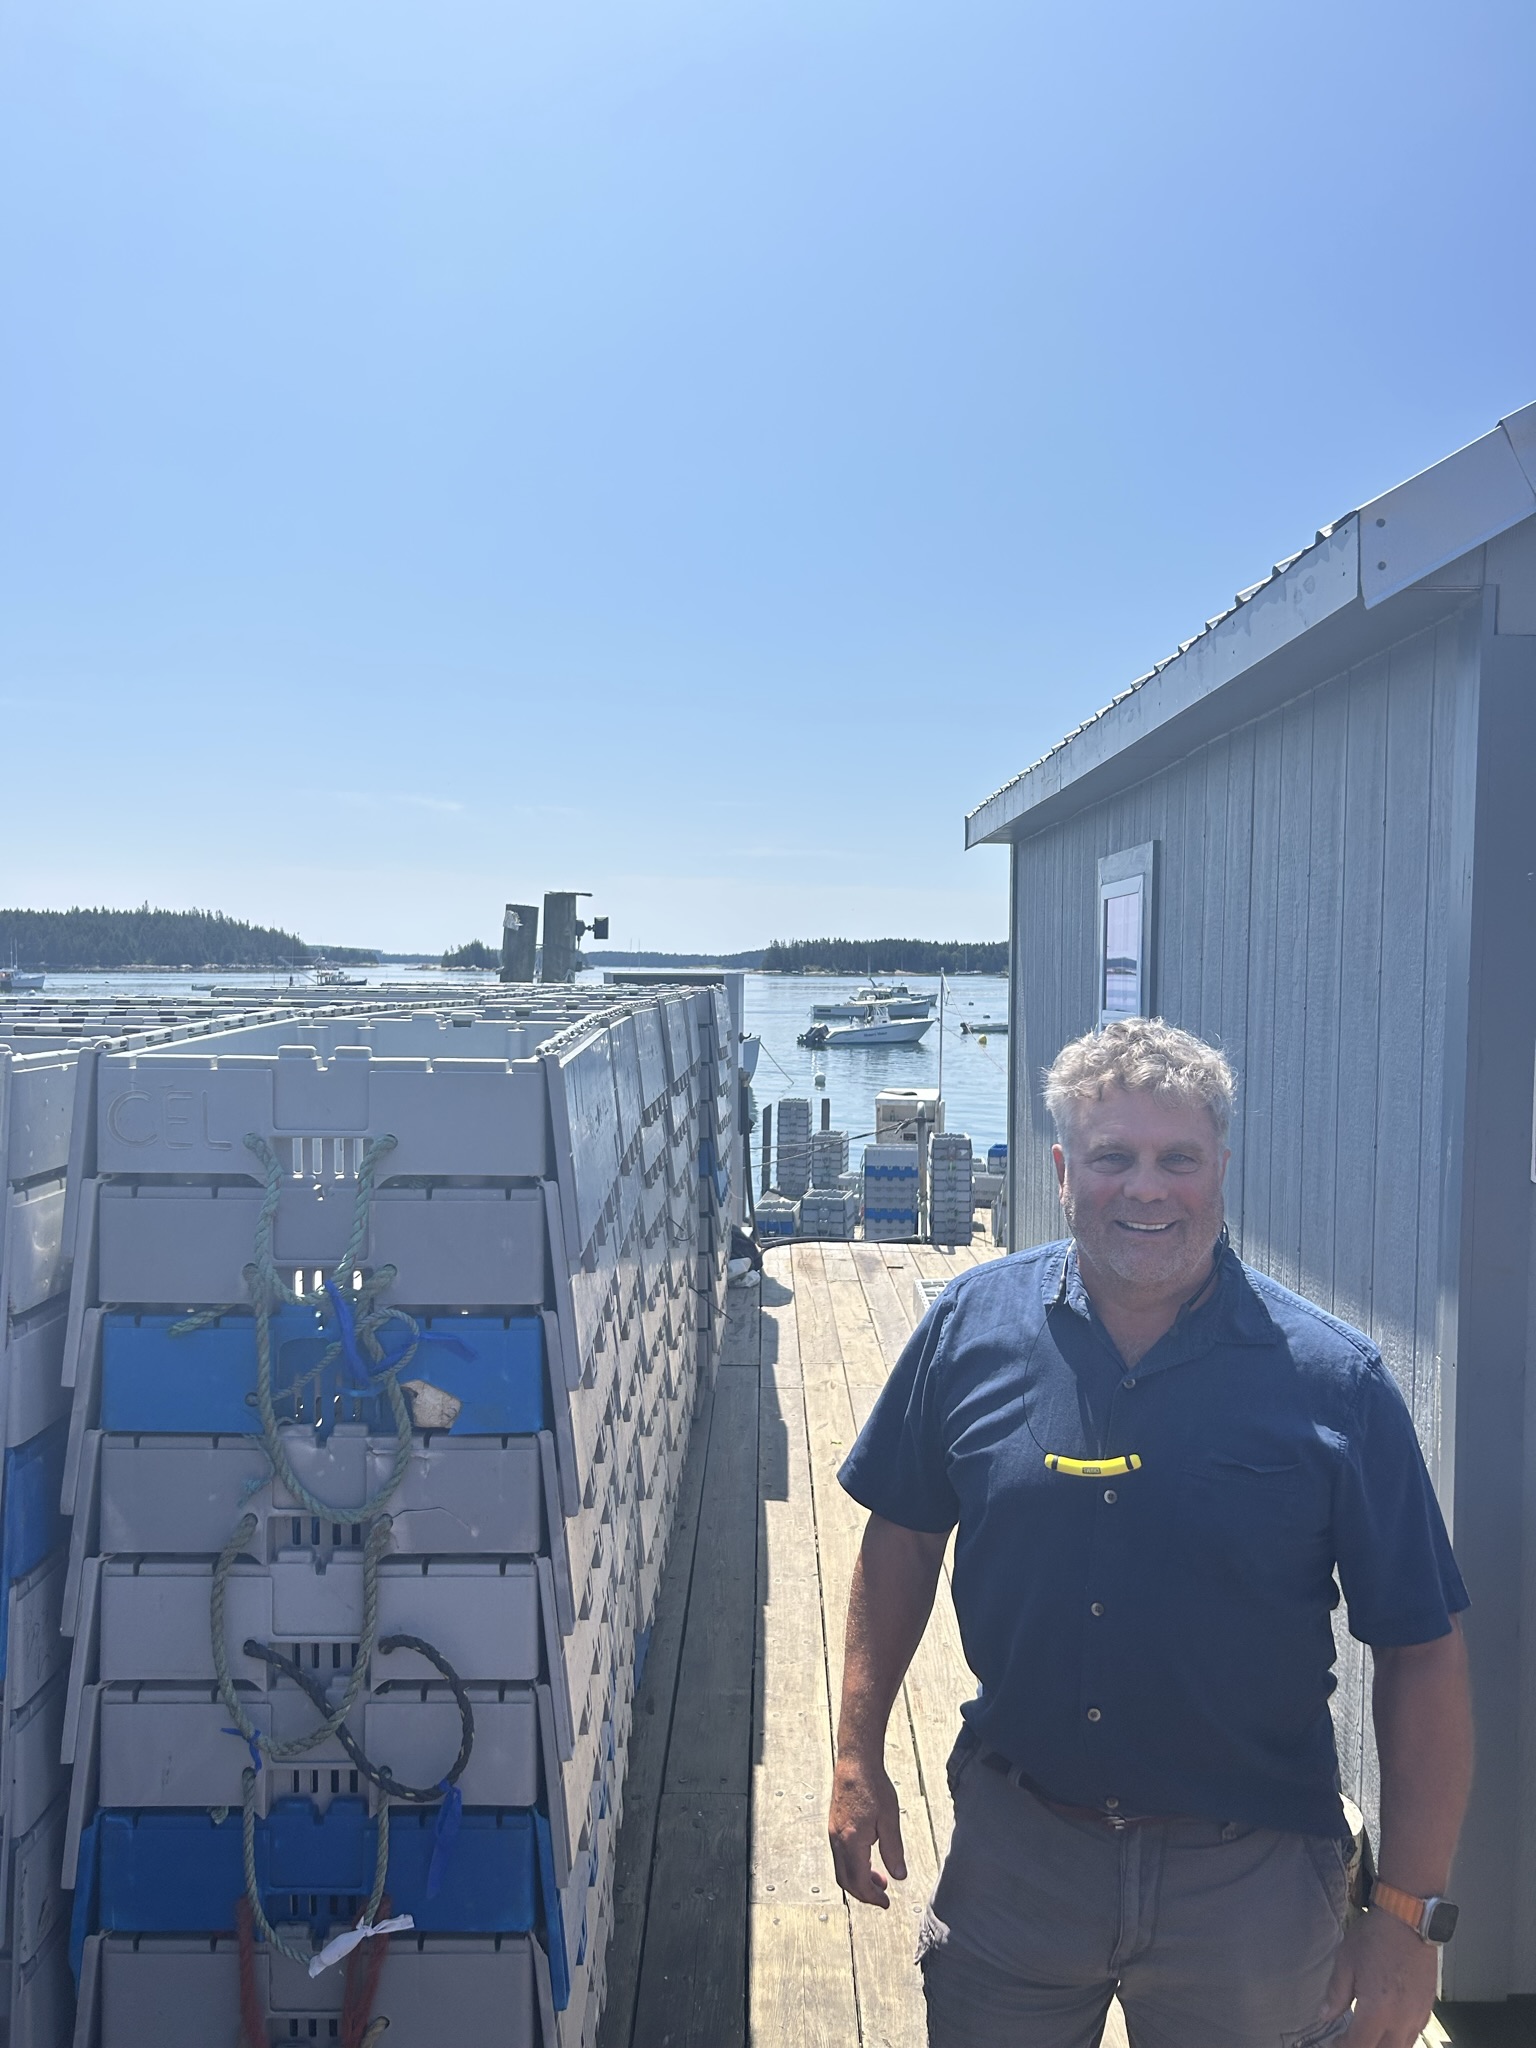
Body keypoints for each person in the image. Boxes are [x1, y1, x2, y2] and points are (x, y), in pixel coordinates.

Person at [829, 1018, 1471, 2048]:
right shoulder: (969, 1325)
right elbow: (900, 1535)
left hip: (1250, 1884)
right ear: (1061, 1168)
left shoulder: (1335, 1382)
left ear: (1221, 1166)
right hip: (1019, 1858)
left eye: (1178, 1157)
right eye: (1112, 1156)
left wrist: (1407, 1919)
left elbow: (1422, 1649)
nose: (1146, 1187)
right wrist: (858, 1750)